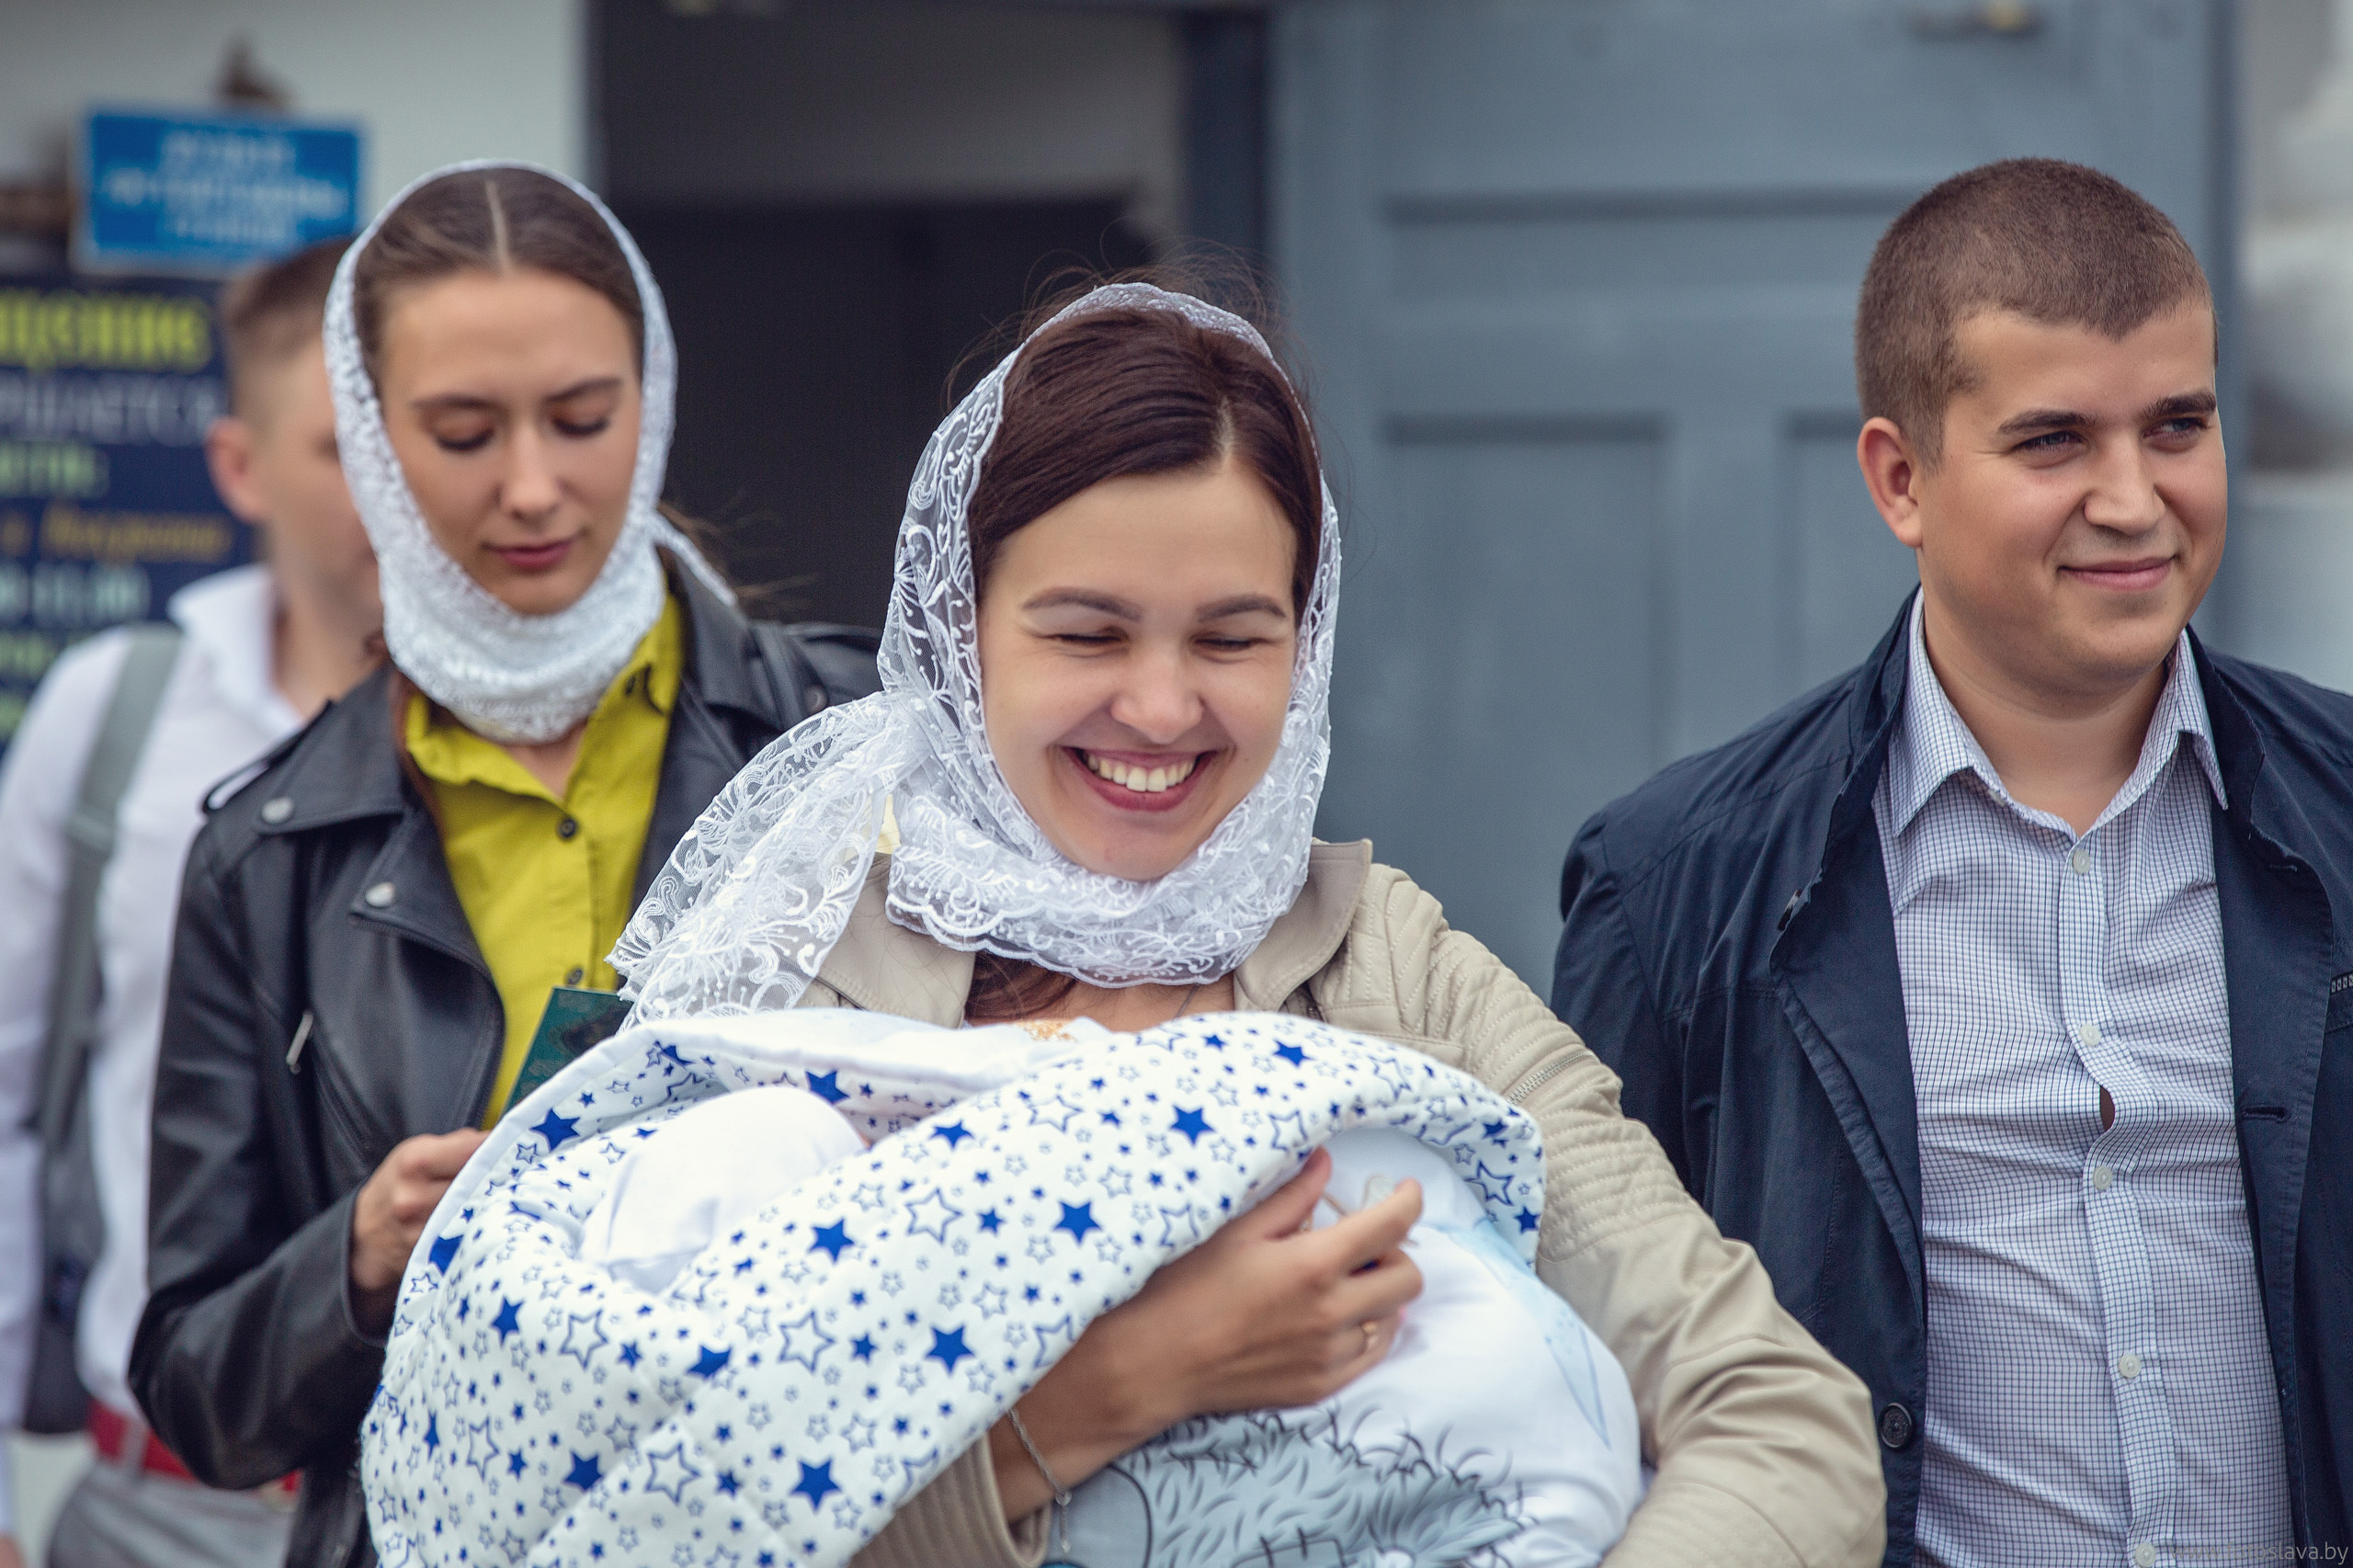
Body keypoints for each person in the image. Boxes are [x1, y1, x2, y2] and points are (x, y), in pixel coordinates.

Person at [583, 278, 1888, 1567]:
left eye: (1233, 637)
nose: (1160, 708)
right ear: (957, 629)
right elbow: (632, 1517)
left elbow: (1781, 1419)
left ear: (1306, 648)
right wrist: (1116, 1386)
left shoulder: (1394, 970)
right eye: (1088, 633)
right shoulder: (798, 1005)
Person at [1552, 157, 2353, 1567]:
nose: (2133, 497)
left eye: (2178, 424)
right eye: (2054, 441)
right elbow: (1593, 1382)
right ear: (1901, 477)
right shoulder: (1675, 884)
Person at [127, 162, 879, 1568]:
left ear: (651, 405)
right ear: (363, 441)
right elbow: (191, 1381)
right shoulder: (268, 854)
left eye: (584, 418)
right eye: (463, 431)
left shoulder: (849, 742)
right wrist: (353, 1257)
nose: (533, 486)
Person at [0, 236, 377, 1568]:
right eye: (345, 448)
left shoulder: (555, 742)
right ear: (240, 467)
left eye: (418, 437)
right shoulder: (118, 713)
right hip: (156, 1502)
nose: (395, 491)